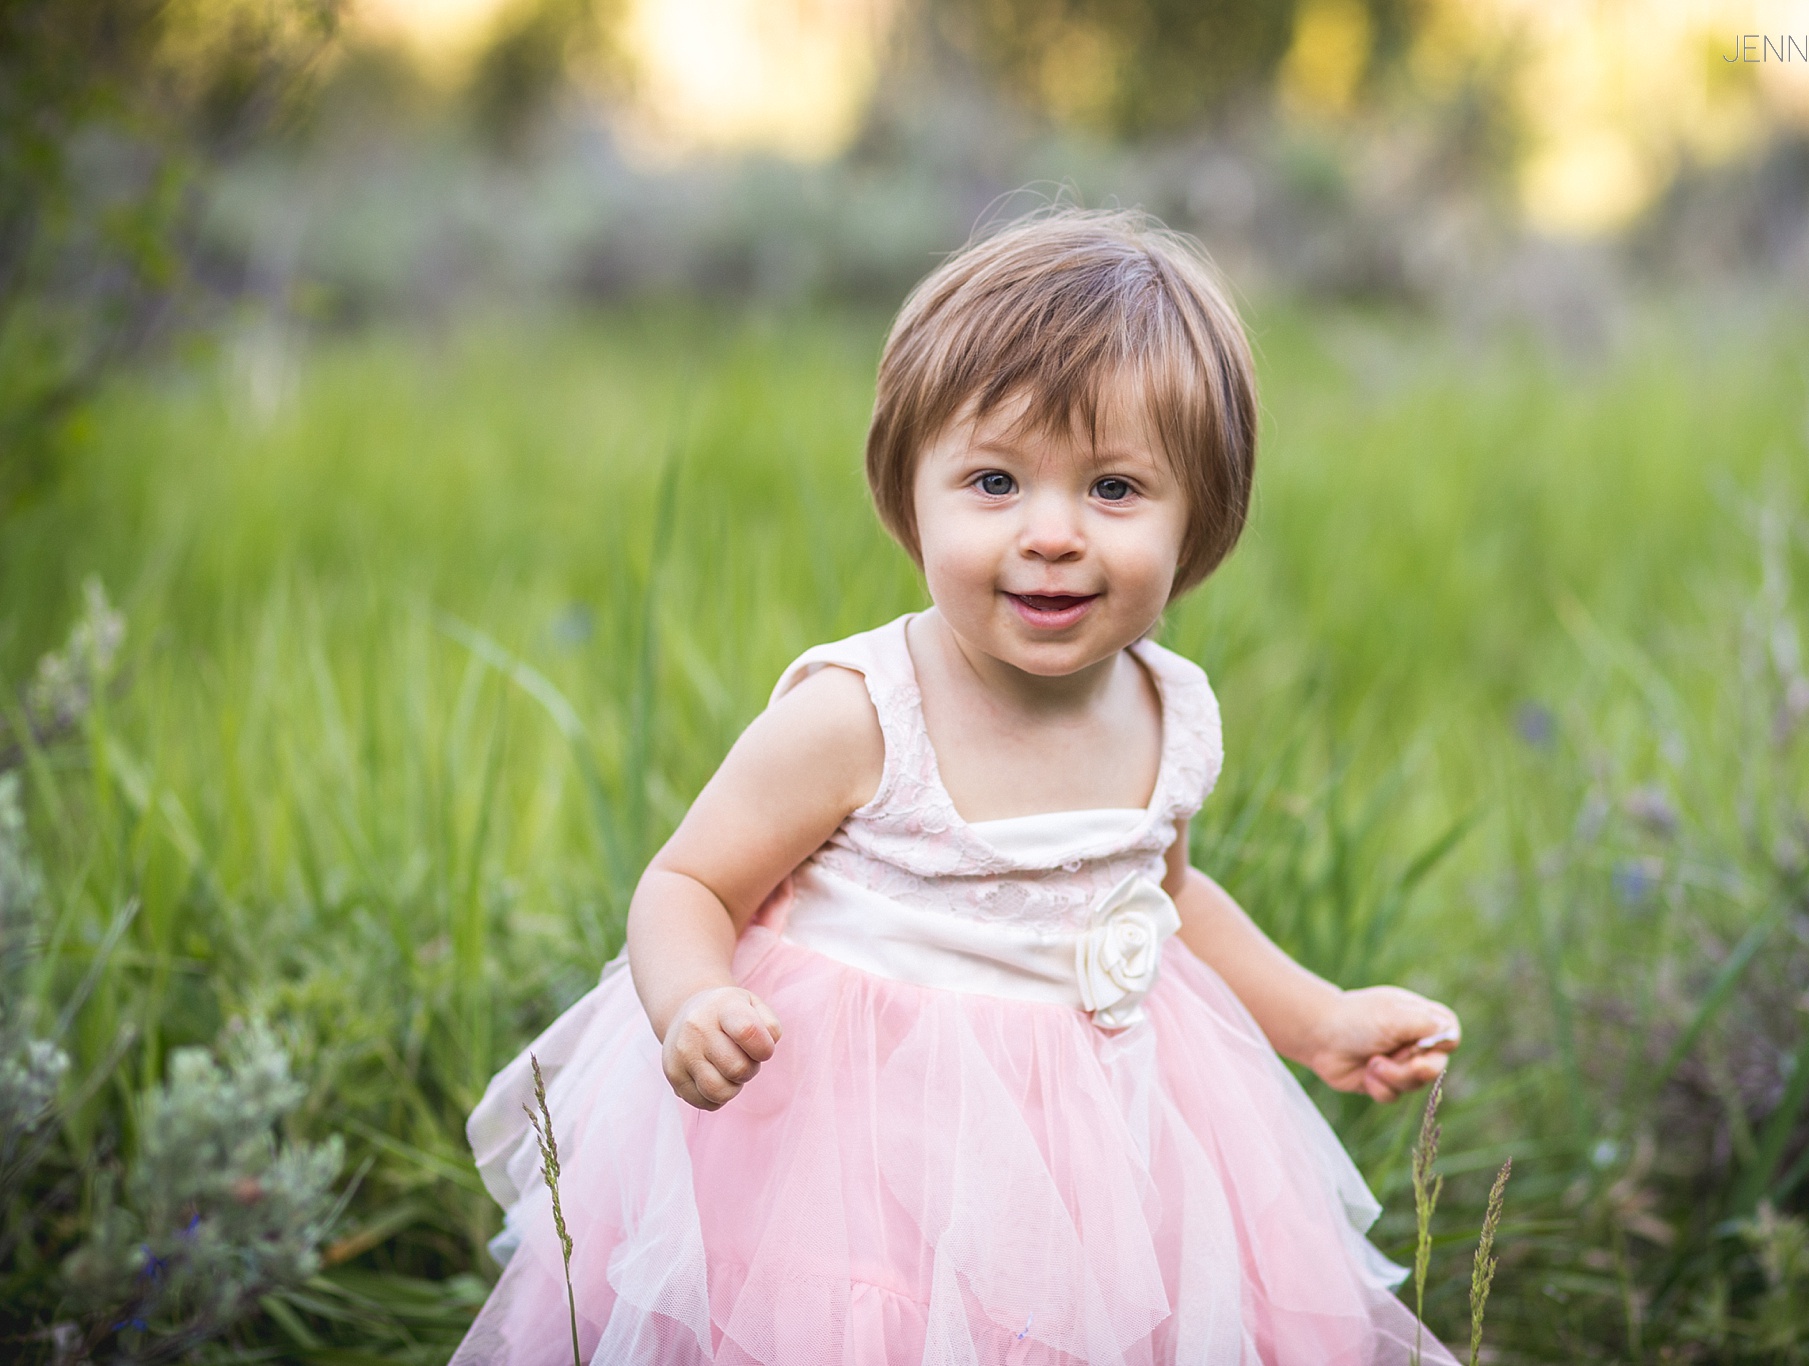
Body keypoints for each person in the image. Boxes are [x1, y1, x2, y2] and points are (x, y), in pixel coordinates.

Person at [454, 208, 1463, 1365]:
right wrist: (689, 1001)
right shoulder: (856, 714)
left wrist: (1316, 1016)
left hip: (1101, 1159)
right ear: (908, 494)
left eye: (1116, 489)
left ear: (1202, 518)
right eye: (992, 481)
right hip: (853, 1159)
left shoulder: (1166, 709)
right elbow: (687, 881)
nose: (1049, 534)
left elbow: (1167, 902)